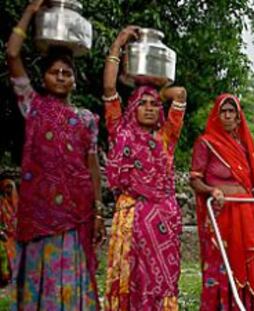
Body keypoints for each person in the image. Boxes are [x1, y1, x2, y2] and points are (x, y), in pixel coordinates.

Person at [6, 0, 105, 309]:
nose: (61, 77)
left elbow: (91, 168)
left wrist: (99, 209)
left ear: (74, 79)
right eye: (54, 72)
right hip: (39, 212)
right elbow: (12, 54)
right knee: (41, 278)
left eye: (66, 73)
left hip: (77, 214)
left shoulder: (87, 119)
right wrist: (31, 12)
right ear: (44, 77)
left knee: (71, 281)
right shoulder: (33, 107)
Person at [103, 26, 187, 311]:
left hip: (162, 221)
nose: (150, 108)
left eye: (154, 104)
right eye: (143, 103)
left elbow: (181, 93)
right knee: (130, 281)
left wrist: (156, 92)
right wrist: (118, 45)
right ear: (133, 107)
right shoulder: (120, 132)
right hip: (130, 219)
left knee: (162, 282)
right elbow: (109, 90)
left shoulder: (167, 137)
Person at [190, 94, 254, 311]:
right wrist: (213, 190)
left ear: (239, 118)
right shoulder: (207, 143)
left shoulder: (244, 147)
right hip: (221, 213)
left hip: (247, 214)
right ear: (216, 115)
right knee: (223, 267)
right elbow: (195, 180)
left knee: (251, 266)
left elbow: (250, 183)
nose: (228, 115)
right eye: (224, 111)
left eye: (232, 112)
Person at [0, 176, 18, 288]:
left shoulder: (18, 203)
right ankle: (6, 278)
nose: (8, 190)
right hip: (5, 234)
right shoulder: (1, 203)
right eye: (6, 187)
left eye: (10, 187)